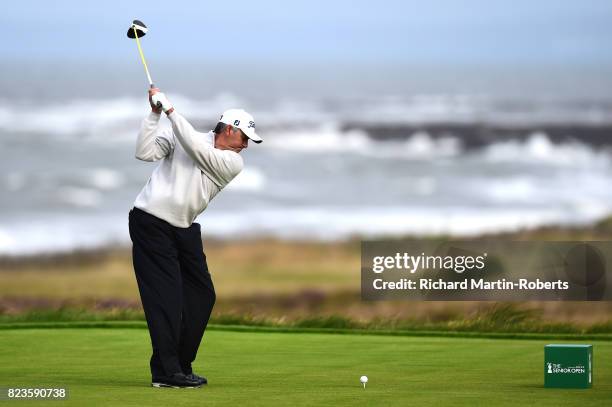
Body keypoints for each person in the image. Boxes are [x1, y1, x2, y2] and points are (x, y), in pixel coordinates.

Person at [128, 88, 262, 388]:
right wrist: (154, 114)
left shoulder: (232, 163)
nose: (246, 146)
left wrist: (172, 111)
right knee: (167, 299)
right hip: (151, 222)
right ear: (230, 129)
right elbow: (144, 152)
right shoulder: (181, 135)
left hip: (185, 228)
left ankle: (180, 364)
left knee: (202, 295)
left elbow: (197, 149)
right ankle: (167, 372)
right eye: (245, 139)